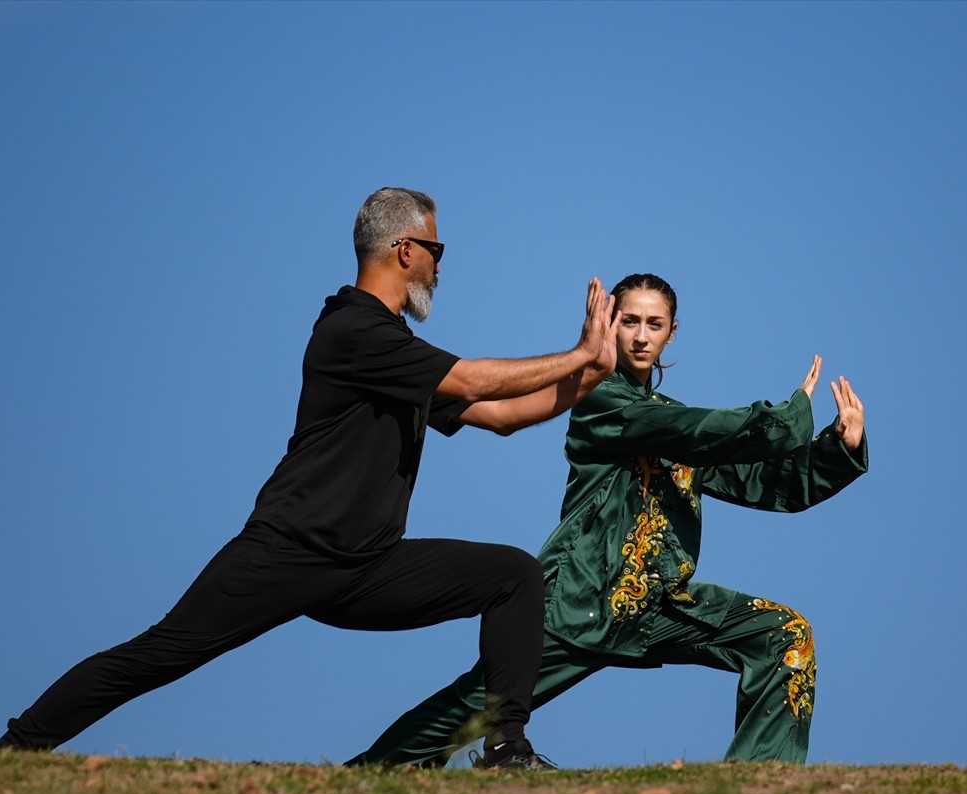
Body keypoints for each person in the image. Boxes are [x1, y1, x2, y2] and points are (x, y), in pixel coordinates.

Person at [0, 187, 620, 770]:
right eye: (437, 250)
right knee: (159, 654)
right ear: (405, 251)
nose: (440, 266)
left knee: (511, 576)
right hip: (287, 551)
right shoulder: (353, 330)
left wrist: (595, 370)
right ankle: (13, 750)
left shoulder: (396, 349)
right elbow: (476, 379)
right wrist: (578, 352)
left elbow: (505, 415)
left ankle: (506, 748)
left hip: (367, 565)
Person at [348, 272, 868, 768]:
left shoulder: (679, 424)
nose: (641, 337)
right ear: (608, 324)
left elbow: (762, 481)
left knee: (784, 636)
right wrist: (786, 417)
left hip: (659, 604)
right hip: (581, 602)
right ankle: (372, 770)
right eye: (630, 321)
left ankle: (758, 785)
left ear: (671, 333)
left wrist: (836, 449)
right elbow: (691, 429)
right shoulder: (599, 400)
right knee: (471, 711)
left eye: (654, 324)